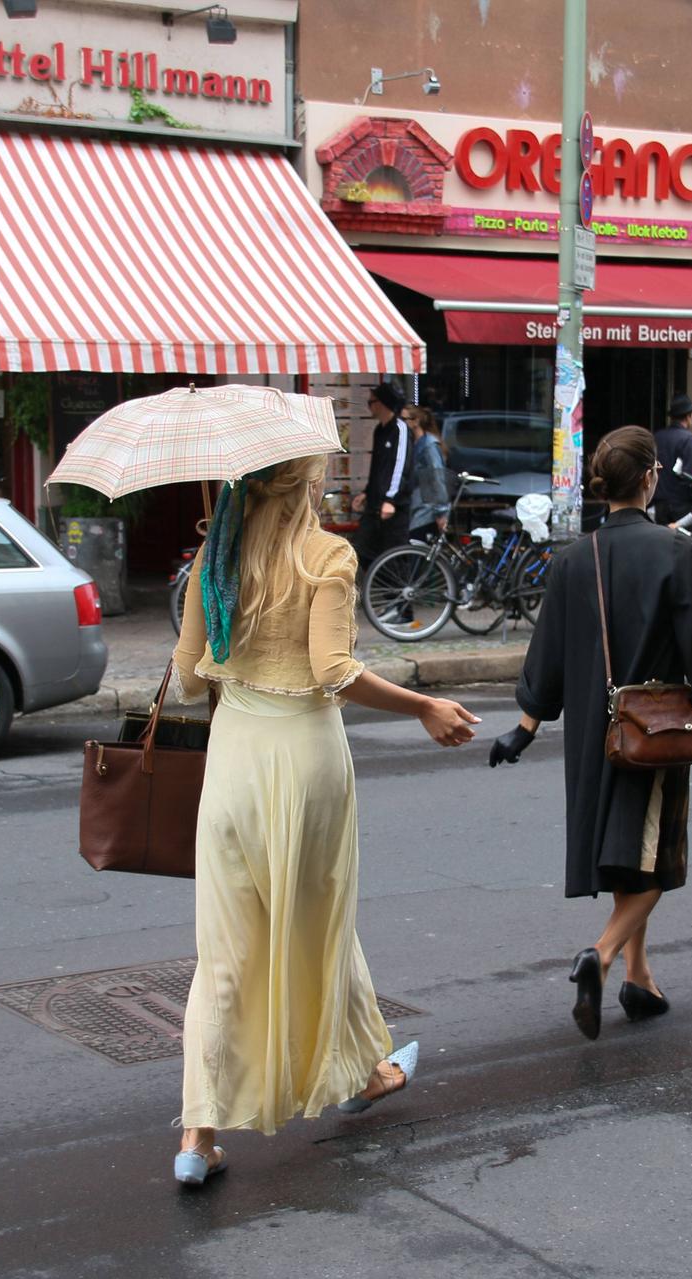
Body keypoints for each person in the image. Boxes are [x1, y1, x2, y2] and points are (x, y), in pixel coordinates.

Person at [169, 454, 480, 1186]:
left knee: (224, 953)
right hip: (305, 760)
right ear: (303, 485)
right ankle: (362, 1075)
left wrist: (220, 619)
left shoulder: (214, 561)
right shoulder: (325, 554)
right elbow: (333, 669)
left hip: (234, 760)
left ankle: (197, 1137)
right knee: (318, 927)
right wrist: (426, 705)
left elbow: (185, 681)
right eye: (317, 477)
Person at [483, 426, 692, 1040]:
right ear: (651, 477)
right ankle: (598, 958)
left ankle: (640, 978)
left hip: (591, 736)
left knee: (627, 854)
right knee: (655, 861)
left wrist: (523, 729)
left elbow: (545, 654)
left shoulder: (575, 558)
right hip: (652, 734)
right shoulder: (675, 552)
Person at [349, 383, 417, 565]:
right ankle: (372, 589)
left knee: (393, 556)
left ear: (382, 403)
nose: (369, 406)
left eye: (372, 401)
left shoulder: (400, 429)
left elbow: (401, 466)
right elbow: (378, 467)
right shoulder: (380, 430)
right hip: (375, 503)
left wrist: (391, 499)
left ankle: (397, 592)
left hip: (393, 506)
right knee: (361, 549)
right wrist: (366, 492)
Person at [651, 394, 692, 526]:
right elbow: (690, 475)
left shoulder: (657, 437)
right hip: (681, 504)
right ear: (688, 416)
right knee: (684, 543)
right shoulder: (688, 439)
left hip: (659, 502)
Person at [404, 405, 450, 542]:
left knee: (419, 552)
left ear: (415, 421)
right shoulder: (414, 444)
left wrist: (441, 512)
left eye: (404, 419)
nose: (401, 423)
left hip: (427, 512)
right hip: (417, 508)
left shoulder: (428, 446)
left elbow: (437, 478)